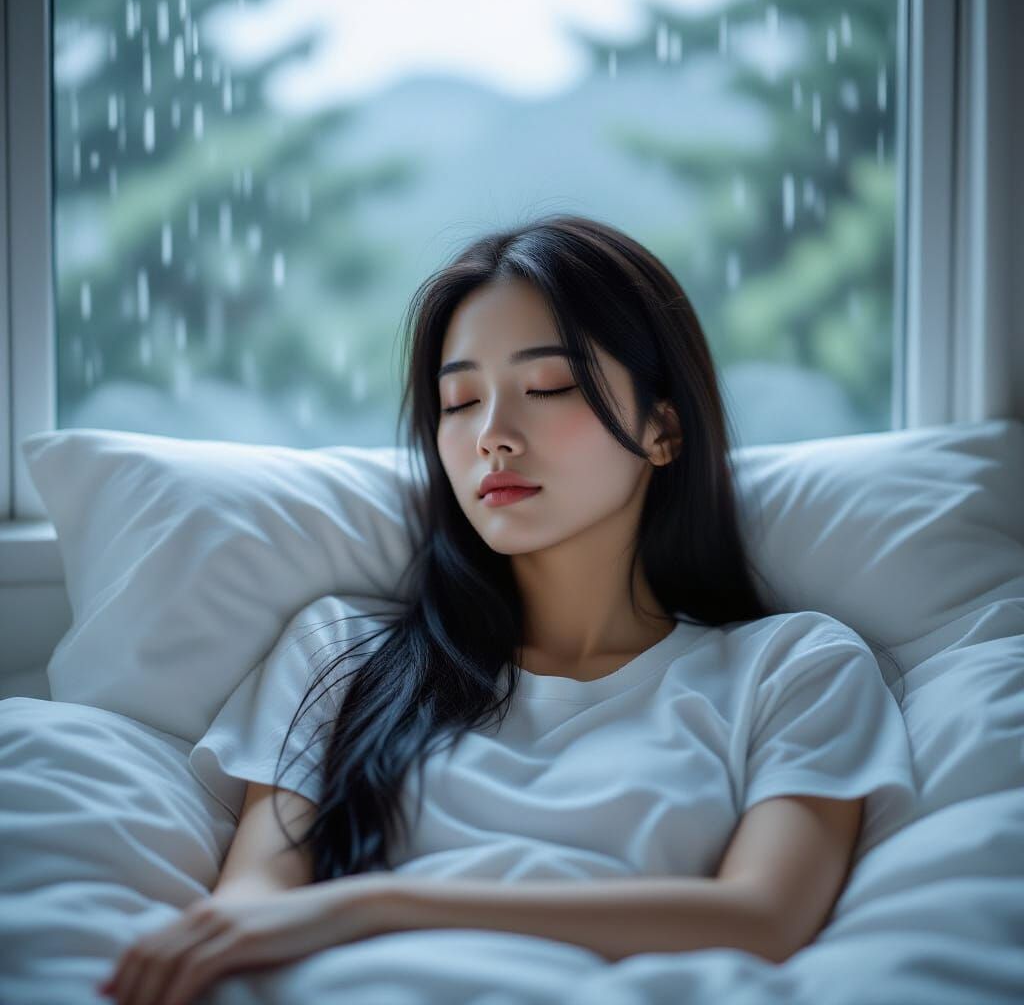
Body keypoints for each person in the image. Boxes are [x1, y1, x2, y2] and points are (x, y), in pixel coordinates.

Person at [103, 215, 916, 1000]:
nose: (492, 434)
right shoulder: (340, 652)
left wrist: (375, 903)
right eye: (458, 403)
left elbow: (764, 918)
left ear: (663, 429)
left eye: (547, 386)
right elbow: (251, 905)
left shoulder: (794, 668)